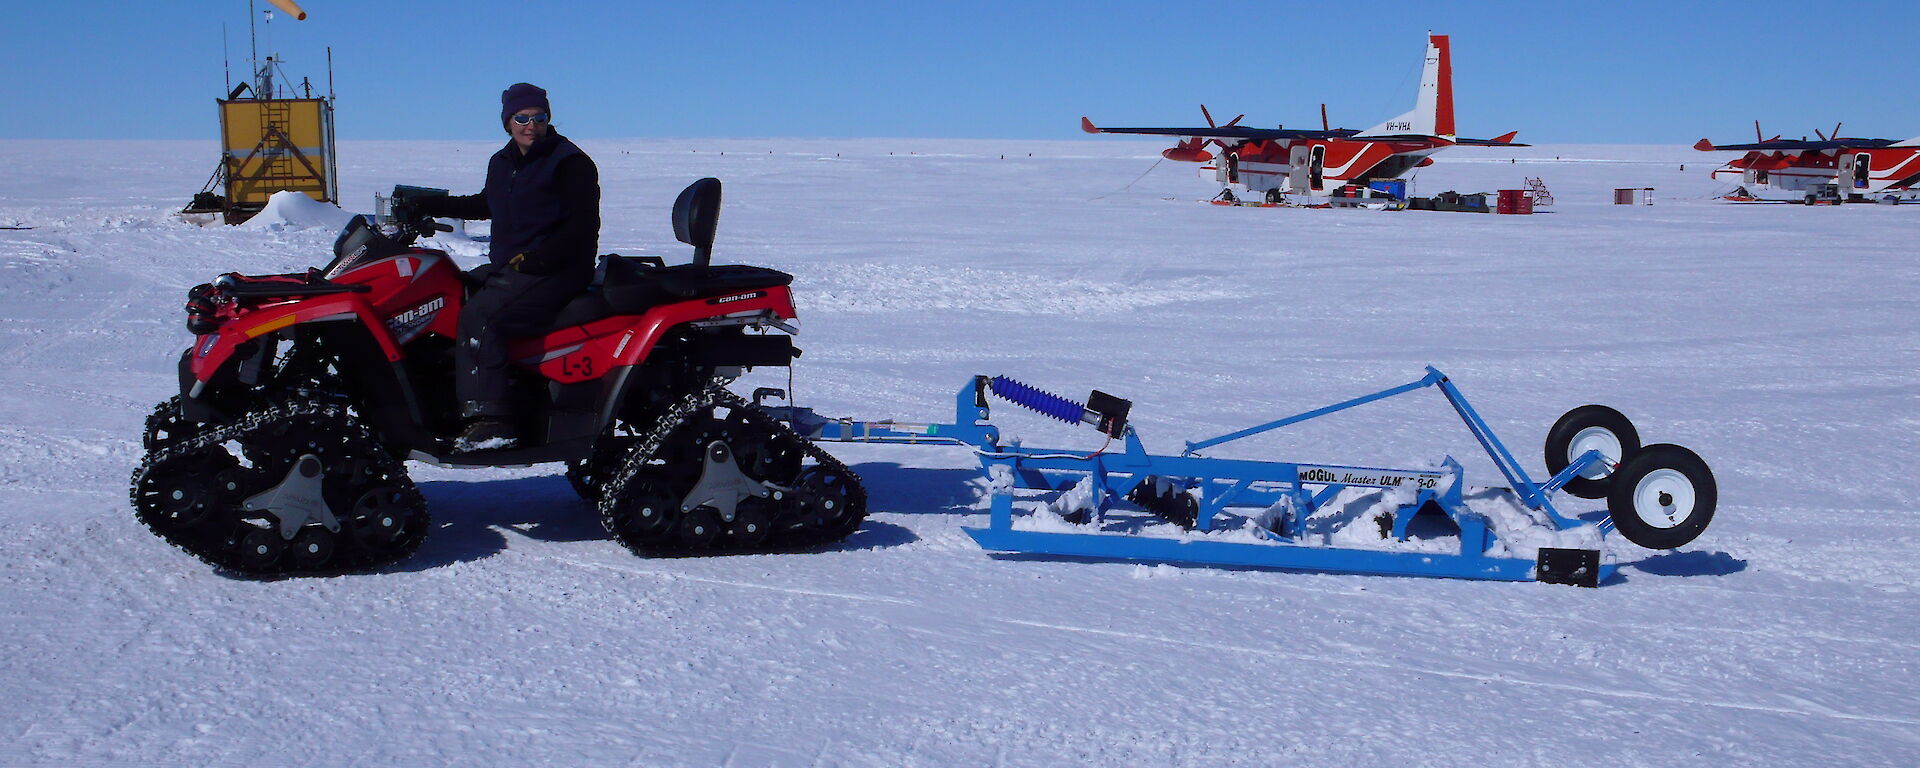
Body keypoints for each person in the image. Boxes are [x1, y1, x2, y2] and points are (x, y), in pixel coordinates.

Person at [412, 83, 601, 451]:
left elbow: (583, 227)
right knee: (454, 293)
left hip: (558, 269)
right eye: (522, 118)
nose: (531, 125)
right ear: (507, 122)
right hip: (517, 267)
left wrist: (541, 258)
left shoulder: (570, 163)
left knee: (481, 318)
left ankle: (492, 420)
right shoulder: (503, 162)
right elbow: (489, 203)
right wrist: (432, 205)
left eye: (539, 117)